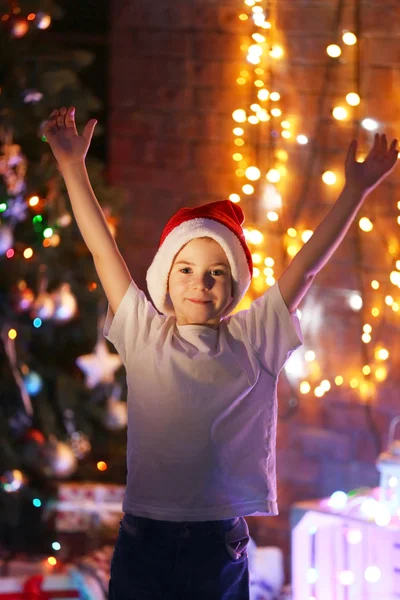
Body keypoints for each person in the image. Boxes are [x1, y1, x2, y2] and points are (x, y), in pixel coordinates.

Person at [43, 106, 398, 600]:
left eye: (216, 272)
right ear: (164, 277)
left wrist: (355, 192)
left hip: (217, 541)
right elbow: (103, 250)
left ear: (233, 285)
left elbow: (307, 269)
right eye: (186, 269)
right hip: (145, 535)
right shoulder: (144, 331)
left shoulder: (254, 338)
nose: (200, 283)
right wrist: (71, 166)